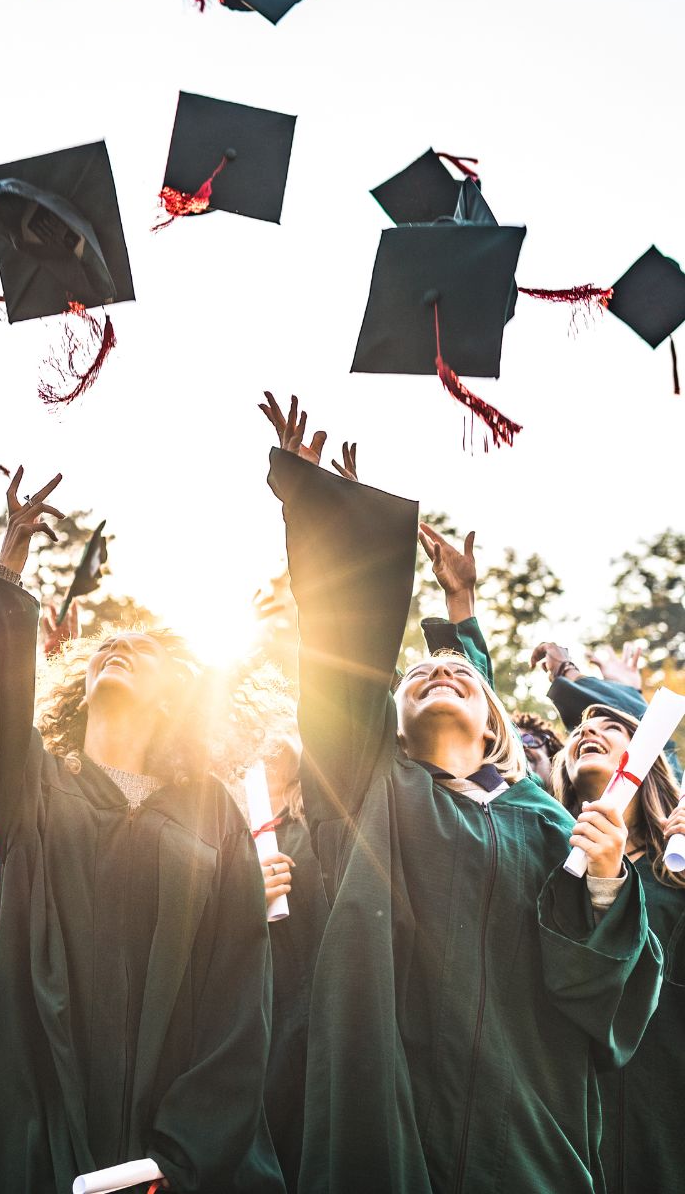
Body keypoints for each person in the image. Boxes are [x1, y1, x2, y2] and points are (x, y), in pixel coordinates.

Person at [260, 391, 662, 1194]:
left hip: (527, 1134)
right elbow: (343, 659)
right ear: (391, 726)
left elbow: (608, 999)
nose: (438, 670)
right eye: (415, 676)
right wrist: (321, 519)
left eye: (460, 675)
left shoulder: (544, 820)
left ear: (493, 729)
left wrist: (612, 878)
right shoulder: (369, 787)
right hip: (389, 1125)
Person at [0, 467, 283, 1193]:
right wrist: (9, 565)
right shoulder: (32, 784)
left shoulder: (209, 810)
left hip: (176, 1136)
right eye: (102, 648)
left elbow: (238, 983)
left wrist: (183, 1151)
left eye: (141, 649)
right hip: (45, 1112)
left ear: (174, 701)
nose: (114, 649)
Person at [551, 703, 685, 1194]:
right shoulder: (541, 867)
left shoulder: (675, 874)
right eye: (582, 729)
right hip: (566, 1120)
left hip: (664, 1125)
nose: (588, 730)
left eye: (614, 727)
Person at [233, 666, 327, 1193]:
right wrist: (243, 897)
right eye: (251, 732)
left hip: (317, 1012)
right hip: (252, 1022)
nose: (264, 742)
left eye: (276, 727)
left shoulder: (324, 819)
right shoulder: (217, 824)